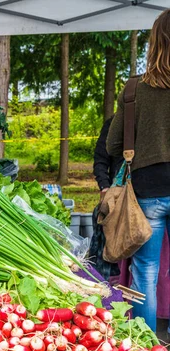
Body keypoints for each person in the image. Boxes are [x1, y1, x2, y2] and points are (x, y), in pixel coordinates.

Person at [107, 8, 170, 334]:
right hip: (151, 190)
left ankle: (147, 347)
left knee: (145, 269)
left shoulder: (134, 90)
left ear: (154, 43)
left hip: (147, 190)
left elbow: (112, 145)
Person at [90, 117, 123, 279]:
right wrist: (105, 187)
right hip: (115, 197)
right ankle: (104, 286)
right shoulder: (114, 123)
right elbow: (100, 160)